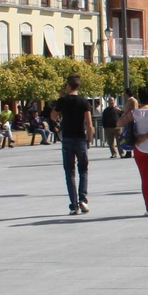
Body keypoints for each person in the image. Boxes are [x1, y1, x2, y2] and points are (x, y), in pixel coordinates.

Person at [50, 74, 94, 216]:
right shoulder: (84, 102)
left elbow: (53, 116)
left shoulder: (62, 100)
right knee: (84, 170)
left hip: (67, 138)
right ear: (78, 86)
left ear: (68, 85)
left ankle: (73, 205)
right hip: (80, 138)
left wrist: (61, 99)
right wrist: (89, 139)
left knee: (70, 173)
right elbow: (89, 123)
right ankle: (83, 199)